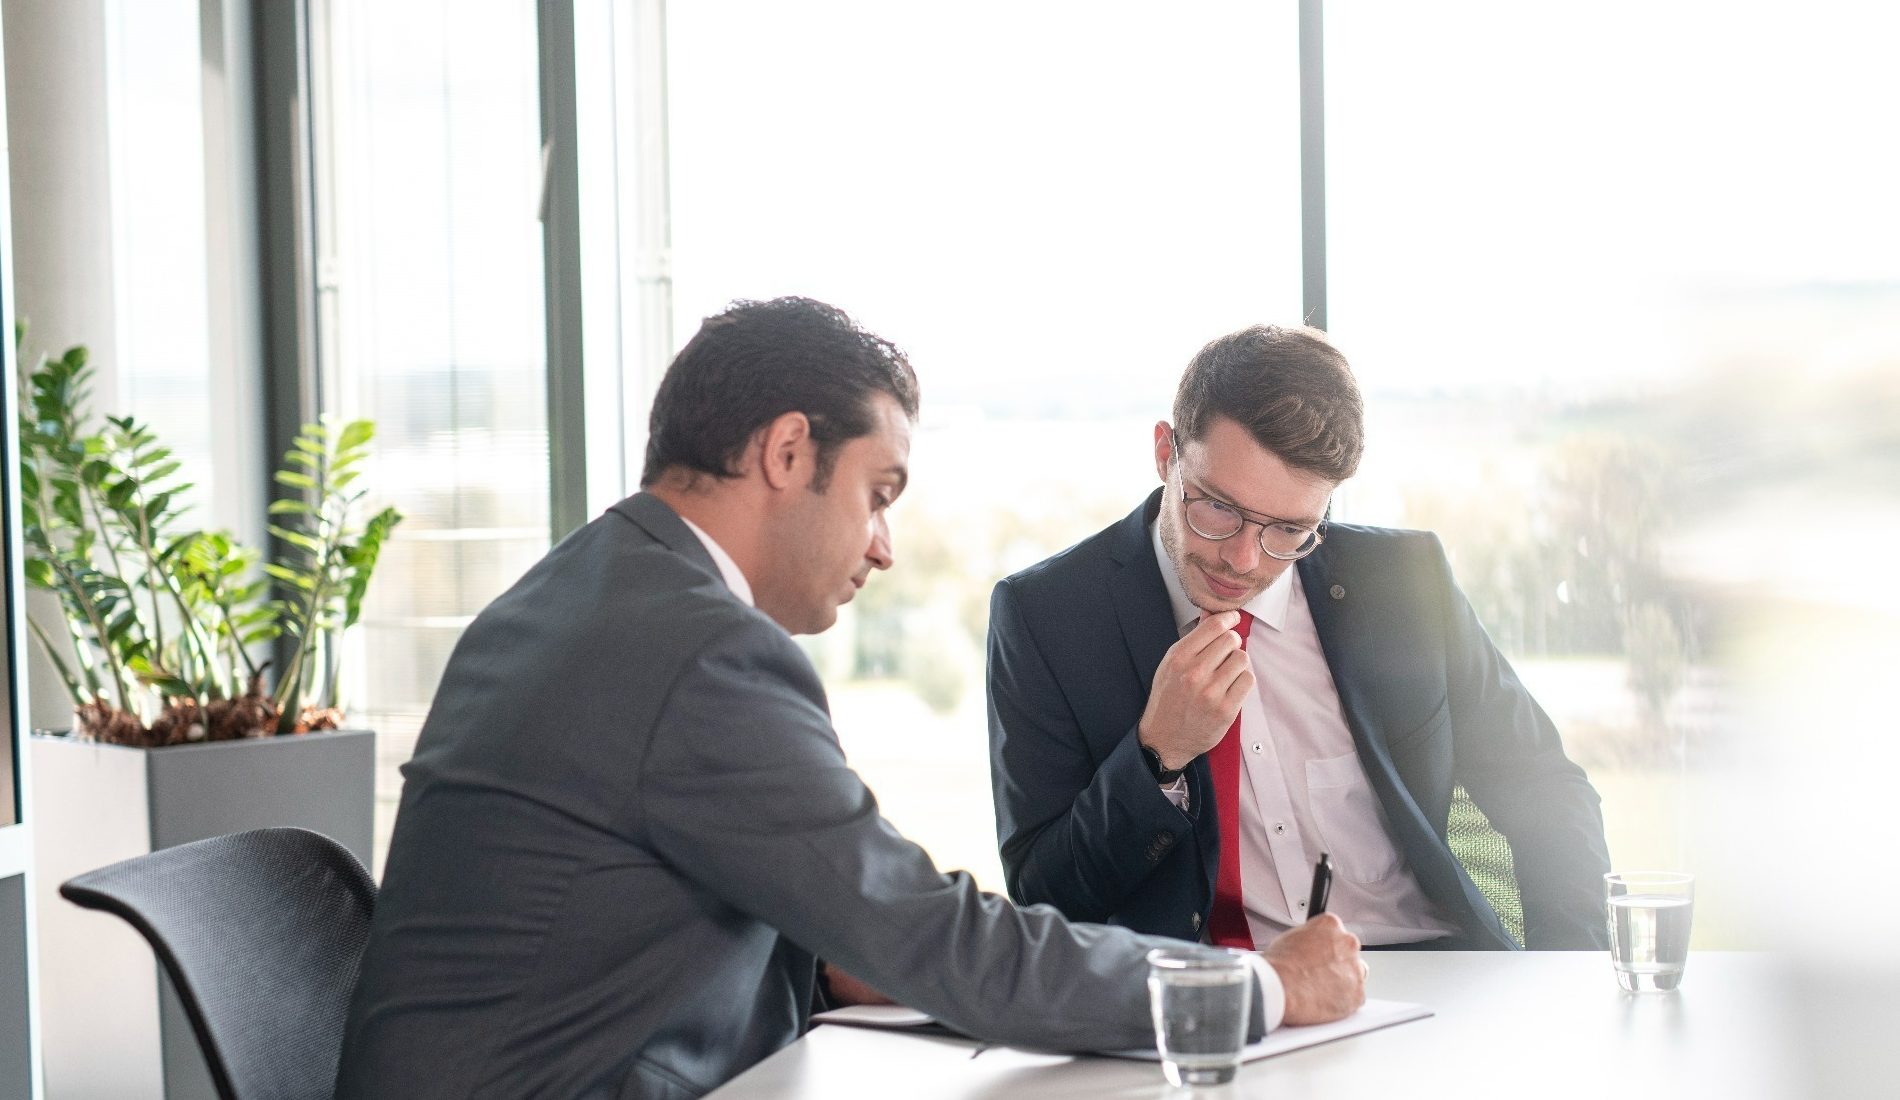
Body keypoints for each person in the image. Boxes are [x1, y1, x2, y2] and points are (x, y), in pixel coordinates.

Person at [335, 299, 1364, 1100]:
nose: (882, 543)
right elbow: (941, 939)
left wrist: (837, 964)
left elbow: (647, 914)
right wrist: (1259, 987)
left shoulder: (581, 591)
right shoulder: (701, 650)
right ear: (787, 452)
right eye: (878, 493)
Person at [987, 324, 1612, 955]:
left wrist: (1567, 971)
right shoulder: (1046, 617)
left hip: (1427, 973)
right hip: (1214, 1001)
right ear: (1164, 453)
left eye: (1288, 529)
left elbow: (1541, 785)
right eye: (1217, 507)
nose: (1241, 558)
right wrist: (1155, 757)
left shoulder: (1405, 585)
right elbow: (1044, 894)